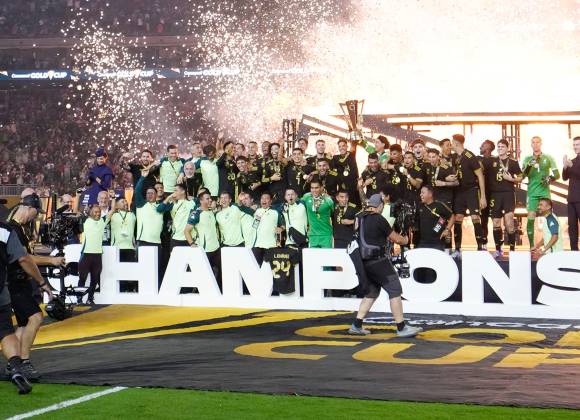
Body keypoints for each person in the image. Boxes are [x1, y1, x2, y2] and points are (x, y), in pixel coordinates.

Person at [347, 194, 422, 338]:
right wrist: (406, 239)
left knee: (372, 292)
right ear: (380, 205)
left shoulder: (359, 217)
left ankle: (356, 325)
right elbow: (396, 239)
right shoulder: (378, 219)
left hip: (363, 262)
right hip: (378, 261)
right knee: (395, 289)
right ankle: (401, 327)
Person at [6, 195, 60, 382]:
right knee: (36, 317)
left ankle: (13, 363)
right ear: (29, 208)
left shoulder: (17, 228)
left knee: (22, 326)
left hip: (17, 283)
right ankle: (24, 362)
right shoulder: (13, 229)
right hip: (14, 283)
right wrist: (50, 263)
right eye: (36, 213)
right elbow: (25, 259)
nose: (36, 217)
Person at [0, 221, 50, 394]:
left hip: (13, 287)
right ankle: (16, 366)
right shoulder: (5, 230)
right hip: (3, 290)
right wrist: (41, 281)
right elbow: (23, 258)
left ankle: (18, 365)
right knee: (7, 333)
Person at [484, 139, 523, 257]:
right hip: (495, 195)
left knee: (509, 221)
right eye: (499, 146)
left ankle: (512, 249)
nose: (500, 148)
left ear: (507, 148)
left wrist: (511, 179)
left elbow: (521, 177)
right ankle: (497, 249)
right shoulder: (492, 161)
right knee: (496, 222)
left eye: (502, 147)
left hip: (508, 194)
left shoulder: (513, 162)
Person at [451, 134, 487, 255]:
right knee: (458, 218)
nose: (451, 145)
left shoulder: (469, 156)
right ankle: (457, 249)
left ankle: (480, 248)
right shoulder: (455, 157)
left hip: (471, 190)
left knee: (475, 217)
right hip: (459, 191)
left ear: (456, 143)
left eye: (452, 142)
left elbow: (480, 175)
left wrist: (483, 196)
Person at [521, 136, 560, 249]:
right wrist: (529, 165)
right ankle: (532, 247)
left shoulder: (548, 158)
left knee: (549, 217)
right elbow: (523, 175)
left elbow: (557, 175)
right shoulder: (527, 159)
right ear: (531, 145)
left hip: (544, 191)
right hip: (532, 192)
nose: (535, 144)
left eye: (537, 142)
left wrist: (549, 178)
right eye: (533, 142)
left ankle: (551, 246)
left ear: (541, 143)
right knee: (531, 216)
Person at [185, 191, 221, 286]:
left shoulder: (211, 212)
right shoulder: (196, 213)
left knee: (217, 274)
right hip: (205, 250)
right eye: (207, 199)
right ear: (201, 201)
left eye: (210, 198)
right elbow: (186, 231)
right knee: (203, 276)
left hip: (216, 248)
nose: (210, 200)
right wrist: (192, 243)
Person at [78, 204, 112, 305]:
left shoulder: (102, 221)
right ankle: (79, 299)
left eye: (99, 212)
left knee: (95, 279)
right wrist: (78, 196)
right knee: (82, 278)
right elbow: (77, 211)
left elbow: (112, 210)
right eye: (95, 212)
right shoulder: (85, 220)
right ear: (90, 212)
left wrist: (113, 198)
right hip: (86, 254)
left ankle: (90, 299)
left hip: (97, 255)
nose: (98, 214)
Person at [134, 176, 164, 285]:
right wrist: (142, 177)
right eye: (148, 193)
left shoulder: (160, 207)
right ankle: (141, 289)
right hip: (143, 242)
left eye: (152, 193)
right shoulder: (141, 204)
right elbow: (137, 191)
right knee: (143, 269)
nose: (149, 195)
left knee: (156, 269)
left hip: (157, 243)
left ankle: (156, 289)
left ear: (156, 195)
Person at [157, 184, 195, 249]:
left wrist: (193, 197)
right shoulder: (173, 204)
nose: (173, 193)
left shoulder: (193, 202)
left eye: (176, 190)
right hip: (176, 238)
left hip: (190, 239)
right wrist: (168, 198)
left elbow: (202, 201)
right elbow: (159, 209)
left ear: (183, 191)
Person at [416, 185, 454, 250]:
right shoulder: (420, 206)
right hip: (423, 242)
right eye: (420, 193)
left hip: (437, 242)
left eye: (423, 192)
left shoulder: (439, 205)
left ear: (430, 194)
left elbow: (452, 216)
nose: (420, 194)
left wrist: (447, 230)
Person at [251, 192, 284, 265]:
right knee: (256, 268)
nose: (264, 200)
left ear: (271, 201)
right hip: (258, 245)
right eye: (262, 198)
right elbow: (255, 226)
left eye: (266, 198)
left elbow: (283, 225)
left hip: (271, 245)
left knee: (270, 268)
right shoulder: (257, 211)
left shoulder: (275, 212)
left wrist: (281, 228)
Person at [302, 179, 335, 248]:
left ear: (321, 188)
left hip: (326, 235)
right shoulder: (306, 197)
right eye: (312, 188)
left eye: (316, 188)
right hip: (313, 235)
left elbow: (334, 214)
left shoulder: (328, 200)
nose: (314, 190)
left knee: (327, 255)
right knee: (313, 255)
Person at [563, 136, 580, 250]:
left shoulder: (572, 164)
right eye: (574, 145)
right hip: (571, 198)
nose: (575, 147)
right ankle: (574, 251)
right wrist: (565, 166)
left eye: (577, 144)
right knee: (572, 226)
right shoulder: (572, 161)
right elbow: (565, 177)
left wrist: (571, 166)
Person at [479, 139, 496, 249]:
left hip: (494, 194)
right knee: (483, 219)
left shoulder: (496, 160)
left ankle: (498, 246)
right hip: (482, 194)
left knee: (496, 219)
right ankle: (484, 242)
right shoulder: (478, 159)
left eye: (482, 145)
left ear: (488, 148)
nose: (480, 147)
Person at [333, 139, 360, 206]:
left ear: (347, 146)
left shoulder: (351, 155)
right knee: (343, 207)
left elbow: (354, 145)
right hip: (342, 188)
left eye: (343, 146)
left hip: (353, 188)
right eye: (340, 146)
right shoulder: (335, 158)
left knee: (354, 207)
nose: (341, 148)